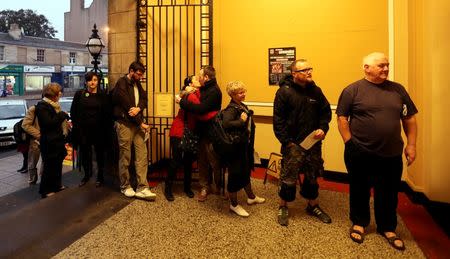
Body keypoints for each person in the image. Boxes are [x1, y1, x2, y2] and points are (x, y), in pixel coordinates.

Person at [336, 52, 417, 251]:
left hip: (391, 153)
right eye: (381, 65)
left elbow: (410, 119)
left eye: (387, 65)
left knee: (388, 191)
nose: (386, 69)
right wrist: (349, 143)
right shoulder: (352, 90)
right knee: (359, 188)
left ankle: (387, 227)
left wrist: (412, 144)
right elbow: (342, 118)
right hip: (359, 152)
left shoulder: (398, 90)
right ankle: (359, 222)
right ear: (366, 68)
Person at [273, 59, 332, 226]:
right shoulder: (284, 92)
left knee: (312, 176)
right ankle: (283, 206)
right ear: (294, 74)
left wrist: (323, 128)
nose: (309, 72)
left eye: (310, 68)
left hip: (313, 143)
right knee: (289, 177)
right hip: (293, 144)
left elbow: (325, 112)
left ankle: (313, 205)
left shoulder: (316, 91)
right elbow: (278, 120)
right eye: (304, 70)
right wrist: (287, 142)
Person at [176, 66, 222, 201]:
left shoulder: (214, 91)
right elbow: (188, 92)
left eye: (200, 75)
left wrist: (181, 101)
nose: (198, 77)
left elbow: (200, 109)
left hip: (211, 132)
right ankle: (204, 187)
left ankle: (217, 186)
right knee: (202, 161)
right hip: (201, 131)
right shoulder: (205, 88)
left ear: (206, 77)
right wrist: (187, 90)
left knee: (213, 161)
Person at [111, 61, 156, 200]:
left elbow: (144, 99)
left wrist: (139, 108)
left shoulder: (137, 83)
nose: (140, 76)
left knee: (142, 155)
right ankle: (125, 186)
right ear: (131, 71)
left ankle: (142, 187)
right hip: (125, 123)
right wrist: (141, 122)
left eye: (142, 74)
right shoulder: (122, 83)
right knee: (125, 156)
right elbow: (127, 107)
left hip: (136, 123)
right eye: (138, 74)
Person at [222, 81, 265, 217]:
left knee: (245, 172)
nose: (244, 94)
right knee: (235, 175)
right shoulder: (231, 109)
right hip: (235, 149)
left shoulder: (241, 106)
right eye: (240, 92)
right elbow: (226, 124)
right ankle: (233, 204)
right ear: (233, 94)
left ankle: (251, 197)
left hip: (244, 147)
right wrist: (241, 121)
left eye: (244, 91)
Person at [71, 71, 111, 187]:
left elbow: (107, 113)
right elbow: (74, 111)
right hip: (84, 131)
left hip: (99, 130)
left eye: (94, 80)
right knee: (85, 153)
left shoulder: (103, 95)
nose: (92, 83)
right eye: (90, 80)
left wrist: (106, 129)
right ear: (86, 82)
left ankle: (100, 176)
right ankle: (87, 175)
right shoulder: (80, 94)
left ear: (98, 81)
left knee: (99, 154)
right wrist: (76, 126)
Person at [164, 75, 199, 201]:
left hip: (190, 131)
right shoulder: (189, 94)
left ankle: (187, 187)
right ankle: (168, 188)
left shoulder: (194, 93)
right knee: (177, 160)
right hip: (179, 130)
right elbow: (199, 106)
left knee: (189, 160)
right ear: (190, 84)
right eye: (196, 79)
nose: (198, 80)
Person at [35, 83, 70, 198]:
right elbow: (48, 123)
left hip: (57, 141)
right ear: (53, 94)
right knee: (49, 167)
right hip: (49, 142)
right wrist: (61, 115)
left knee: (57, 166)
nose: (60, 94)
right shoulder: (42, 106)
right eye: (58, 92)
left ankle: (56, 186)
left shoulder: (54, 105)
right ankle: (45, 190)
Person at [21, 105, 41, 185]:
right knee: (33, 161)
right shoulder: (34, 109)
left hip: (47, 139)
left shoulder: (53, 107)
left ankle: (43, 179)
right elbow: (25, 125)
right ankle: (32, 180)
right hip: (35, 140)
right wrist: (39, 135)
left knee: (45, 161)